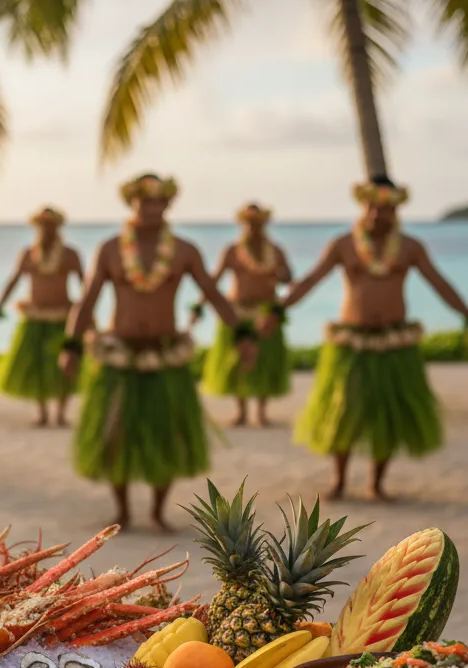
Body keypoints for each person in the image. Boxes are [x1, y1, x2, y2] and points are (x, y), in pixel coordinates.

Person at [61, 174, 247, 529]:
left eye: (159, 201)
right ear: (131, 203)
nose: (152, 208)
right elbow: (86, 300)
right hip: (120, 356)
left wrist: (243, 334)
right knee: (116, 434)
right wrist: (71, 346)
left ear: (168, 205)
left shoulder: (185, 250)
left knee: (167, 435)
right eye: (145, 201)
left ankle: (158, 512)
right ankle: (122, 511)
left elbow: (213, 294)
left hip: (165, 357)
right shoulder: (110, 249)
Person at [285, 175, 468, 500]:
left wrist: (464, 312)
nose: (376, 214)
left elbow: (440, 284)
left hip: (395, 342)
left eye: (384, 208)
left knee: (388, 413)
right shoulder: (343, 244)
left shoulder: (410, 247)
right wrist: (276, 310)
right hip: (351, 341)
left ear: (396, 209)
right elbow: (311, 280)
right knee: (344, 410)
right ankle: (339, 480)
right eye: (371, 206)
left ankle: (376, 484)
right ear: (363, 205)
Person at [0, 207, 84, 426]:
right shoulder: (28, 254)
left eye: (50, 225)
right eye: (42, 225)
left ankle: (60, 413)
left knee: (63, 365)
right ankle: (42, 413)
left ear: (58, 228)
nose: (46, 229)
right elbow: (13, 281)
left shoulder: (69, 254)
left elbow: (86, 285)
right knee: (36, 365)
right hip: (34, 317)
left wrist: (87, 315)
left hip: (62, 317)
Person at [199, 203, 293, 427]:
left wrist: (281, 276)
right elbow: (214, 280)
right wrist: (200, 304)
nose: (253, 228)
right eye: (249, 224)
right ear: (242, 225)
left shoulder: (275, 251)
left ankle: (261, 412)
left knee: (265, 361)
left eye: (258, 224)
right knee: (238, 361)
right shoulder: (232, 251)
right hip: (237, 312)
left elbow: (289, 277)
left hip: (265, 313)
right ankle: (241, 412)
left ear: (265, 224)